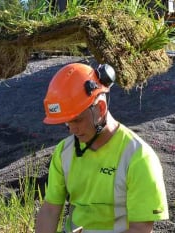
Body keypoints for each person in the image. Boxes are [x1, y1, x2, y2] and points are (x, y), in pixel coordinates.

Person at [35, 63, 168, 233]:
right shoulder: (64, 152)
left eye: (77, 120)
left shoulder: (139, 157)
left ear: (101, 108)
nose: (72, 129)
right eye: (66, 122)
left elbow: (141, 228)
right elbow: (50, 210)